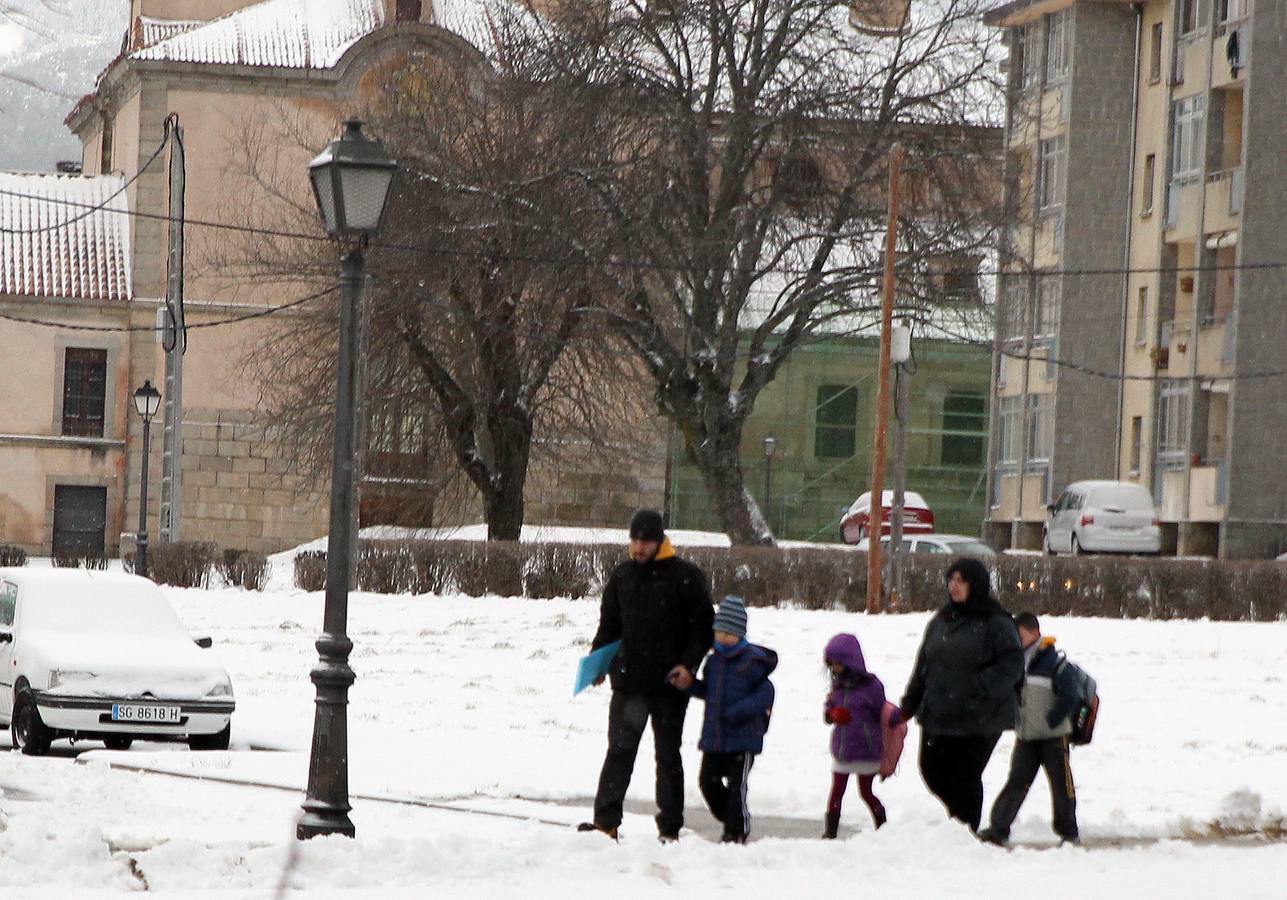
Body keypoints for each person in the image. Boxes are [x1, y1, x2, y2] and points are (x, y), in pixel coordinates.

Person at [579, 509, 715, 842]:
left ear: (660, 541)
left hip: (670, 685)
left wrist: (688, 666)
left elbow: (703, 628)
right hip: (629, 682)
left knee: (668, 756)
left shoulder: (686, 576)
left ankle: (670, 828)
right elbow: (610, 625)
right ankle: (605, 822)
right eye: (635, 540)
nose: (639, 548)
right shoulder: (623, 576)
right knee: (619, 751)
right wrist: (598, 663)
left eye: (646, 541)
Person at [899, 557, 1024, 833]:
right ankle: (958, 823)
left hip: (980, 717)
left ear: (975, 584)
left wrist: (979, 686)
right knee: (932, 770)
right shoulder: (941, 621)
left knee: (964, 776)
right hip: (939, 711)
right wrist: (909, 704)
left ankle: (966, 829)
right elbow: (924, 664)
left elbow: (1012, 664)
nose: (954, 586)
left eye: (961, 580)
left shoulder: (996, 621)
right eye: (951, 579)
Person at [679, 595, 776, 844]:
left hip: (743, 739)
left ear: (740, 634)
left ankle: (737, 831)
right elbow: (709, 692)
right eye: (719, 631)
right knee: (706, 783)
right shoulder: (713, 662)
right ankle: (732, 819)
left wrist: (739, 710)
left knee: (737, 788)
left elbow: (766, 693)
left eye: (728, 633)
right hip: (715, 737)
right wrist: (689, 685)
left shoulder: (752, 661)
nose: (722, 637)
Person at [978, 612, 1080, 846]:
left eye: (1020, 635)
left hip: (1054, 738)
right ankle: (998, 829)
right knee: (1016, 782)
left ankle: (1069, 833)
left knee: (1061, 787)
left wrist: (1052, 721)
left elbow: (1070, 696)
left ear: (1035, 633)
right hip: (1027, 737)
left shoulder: (1055, 663)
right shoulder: (1017, 663)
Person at [821, 632, 903, 838]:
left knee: (866, 793)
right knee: (837, 791)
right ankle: (830, 832)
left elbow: (882, 713)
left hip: (866, 750)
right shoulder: (837, 687)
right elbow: (828, 710)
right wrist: (832, 714)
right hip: (843, 749)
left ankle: (882, 828)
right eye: (831, 665)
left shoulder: (872, 687)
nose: (833, 669)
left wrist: (896, 718)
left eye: (837, 664)